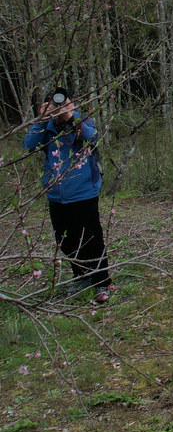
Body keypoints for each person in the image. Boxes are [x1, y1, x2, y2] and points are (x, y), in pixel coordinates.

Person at [23, 88, 111, 303]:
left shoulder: (83, 121)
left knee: (92, 239)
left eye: (65, 103)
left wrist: (70, 118)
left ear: (72, 104)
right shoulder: (47, 127)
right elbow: (28, 146)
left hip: (84, 192)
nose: (61, 107)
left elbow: (92, 138)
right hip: (56, 195)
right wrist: (43, 119)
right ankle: (81, 276)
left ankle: (101, 281)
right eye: (55, 104)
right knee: (65, 240)